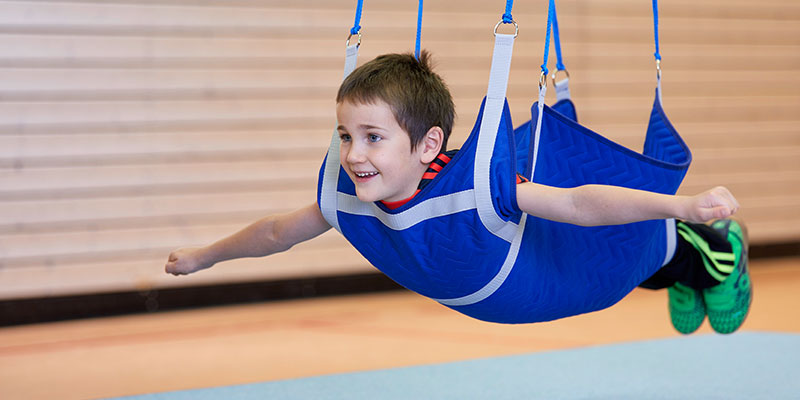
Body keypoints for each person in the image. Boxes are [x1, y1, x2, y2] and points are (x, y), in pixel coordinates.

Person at [166, 51, 751, 334]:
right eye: (345, 135)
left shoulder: (484, 191)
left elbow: (577, 205)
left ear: (428, 146)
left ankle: (718, 250)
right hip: (536, 278)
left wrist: (683, 202)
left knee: (642, 251)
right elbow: (275, 233)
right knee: (627, 263)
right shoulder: (345, 200)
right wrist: (204, 256)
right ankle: (686, 266)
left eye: (373, 137)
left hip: (568, 266)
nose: (352, 154)